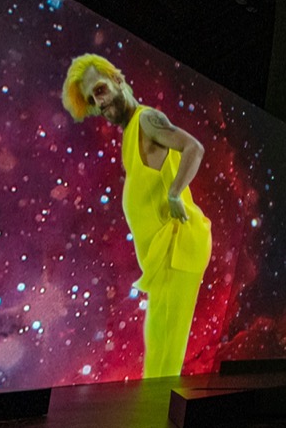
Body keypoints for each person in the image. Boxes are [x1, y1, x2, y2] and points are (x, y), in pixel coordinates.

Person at [61, 54, 212, 378]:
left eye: (100, 90)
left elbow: (194, 148)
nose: (99, 103)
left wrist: (175, 192)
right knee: (158, 347)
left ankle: (158, 408)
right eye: (92, 100)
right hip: (164, 260)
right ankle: (154, 405)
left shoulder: (146, 120)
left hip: (177, 250)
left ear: (117, 79)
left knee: (165, 354)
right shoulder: (131, 133)